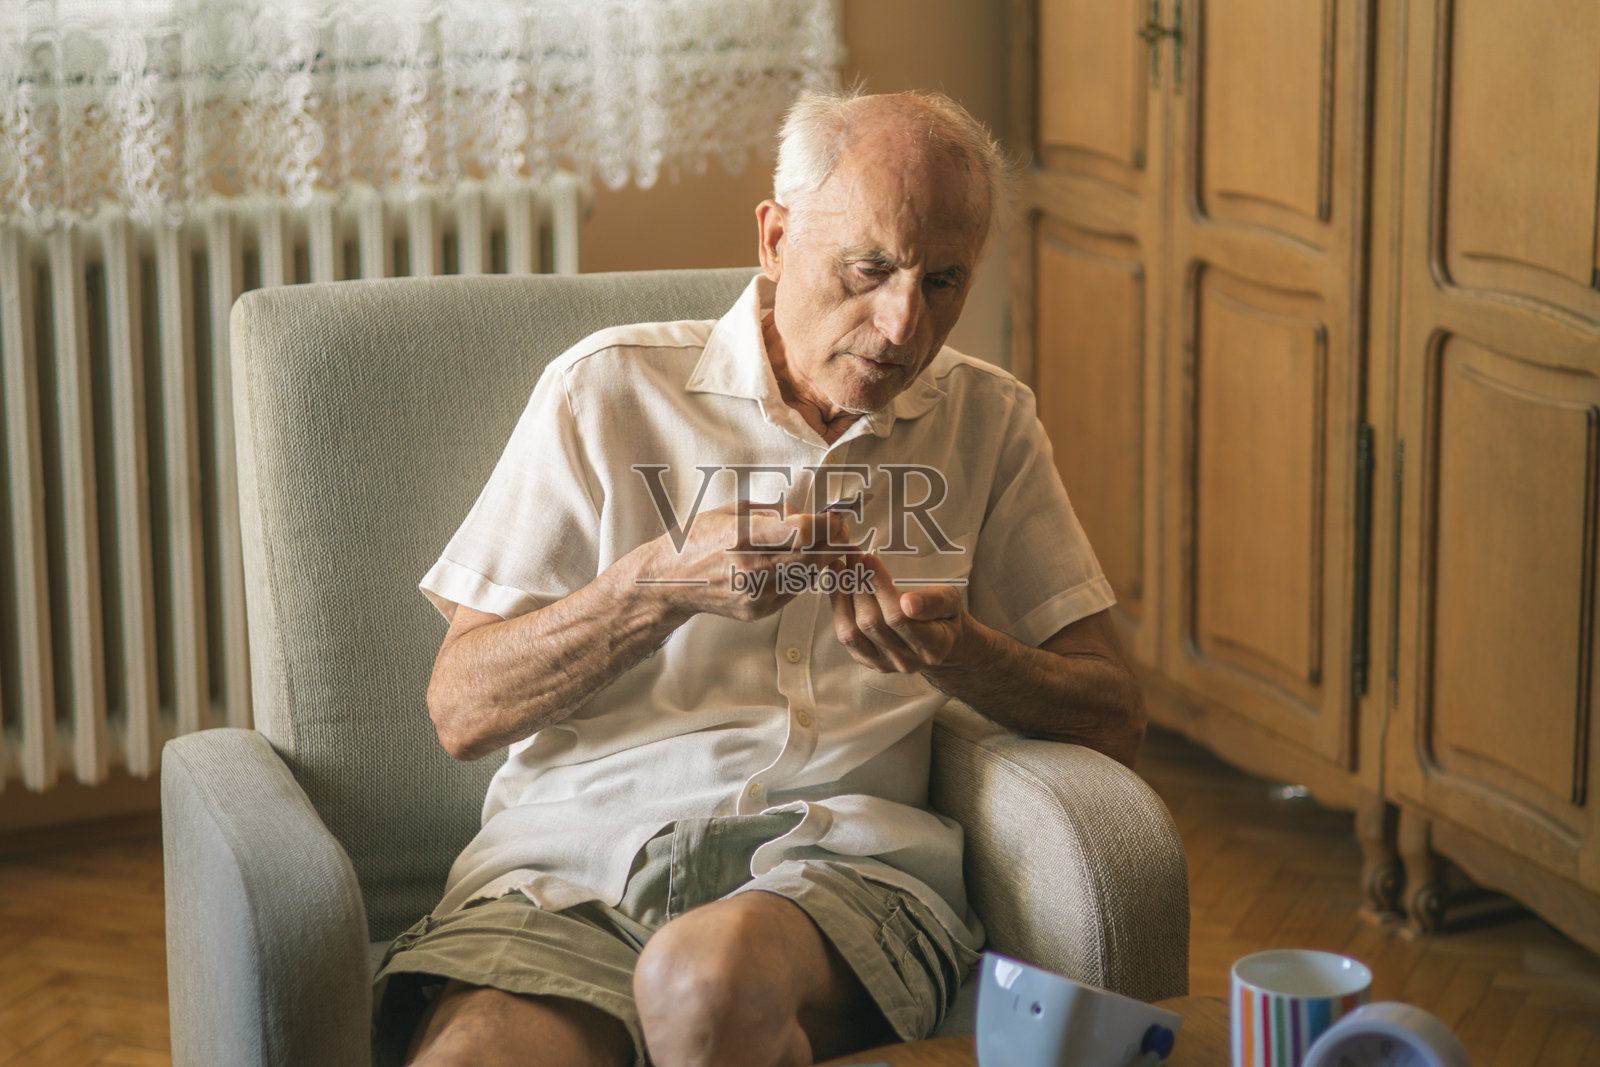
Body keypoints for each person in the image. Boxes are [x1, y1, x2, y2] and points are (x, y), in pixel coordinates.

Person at [373, 87, 1146, 1067]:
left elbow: (1112, 714)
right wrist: (657, 585)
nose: (906, 322)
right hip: (569, 868)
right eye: (870, 268)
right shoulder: (607, 389)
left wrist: (963, 652)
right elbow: (460, 709)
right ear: (775, 239)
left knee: (707, 983)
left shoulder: (987, 422)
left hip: (837, 875)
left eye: (944, 279)